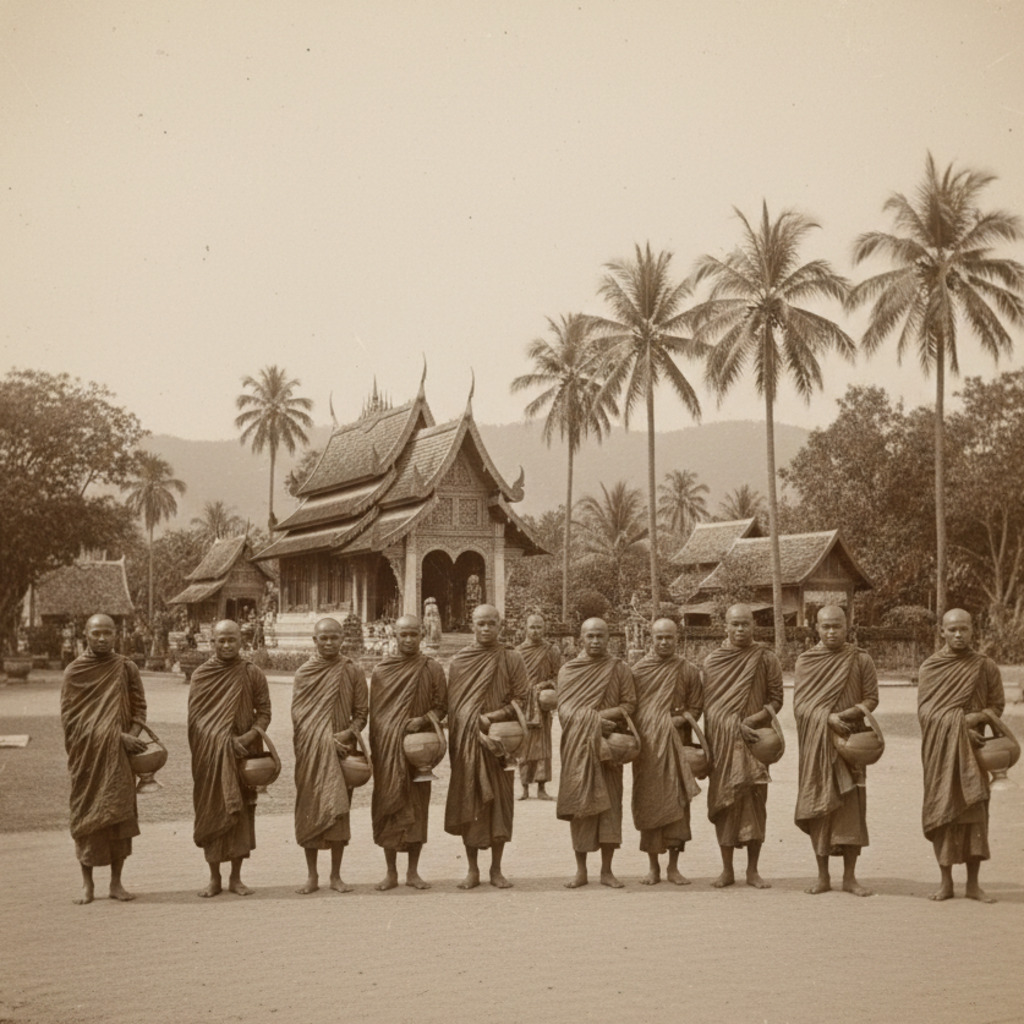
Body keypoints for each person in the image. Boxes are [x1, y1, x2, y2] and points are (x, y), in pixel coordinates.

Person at [918, 608, 1006, 903]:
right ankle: (945, 883)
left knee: (975, 814)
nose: (958, 634)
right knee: (943, 812)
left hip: (975, 753)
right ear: (942, 631)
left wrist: (978, 718)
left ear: (972, 630)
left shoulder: (985, 666)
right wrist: (960, 727)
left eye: (964, 629)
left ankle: (973, 884)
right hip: (941, 752)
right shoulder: (931, 667)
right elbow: (926, 713)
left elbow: (997, 705)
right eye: (952, 629)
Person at [60, 613, 149, 905]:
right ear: (85, 634)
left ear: (116, 634)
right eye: (96, 633)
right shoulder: (74, 671)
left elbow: (139, 709)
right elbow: (72, 721)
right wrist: (117, 737)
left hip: (119, 760)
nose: (102, 638)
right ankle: (87, 885)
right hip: (88, 759)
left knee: (119, 818)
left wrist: (130, 737)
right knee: (87, 817)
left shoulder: (126, 668)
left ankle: (116, 882)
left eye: (107, 633)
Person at [793, 606, 878, 897]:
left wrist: (848, 715)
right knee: (820, 807)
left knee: (851, 809)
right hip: (818, 744)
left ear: (847, 626)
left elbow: (871, 698)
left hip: (851, 743)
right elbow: (800, 706)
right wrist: (827, 718)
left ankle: (850, 877)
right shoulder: (806, 661)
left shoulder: (860, 659)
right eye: (826, 626)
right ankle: (822, 876)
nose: (831, 632)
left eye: (837, 626)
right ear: (816, 628)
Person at [444, 603, 529, 889]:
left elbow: (522, 699)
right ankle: (472, 870)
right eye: (481, 623)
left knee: (500, 806)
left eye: (492, 623)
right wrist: (471, 723)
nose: (486, 628)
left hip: (501, 743)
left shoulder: (512, 658)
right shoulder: (459, 662)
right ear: (472, 625)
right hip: (469, 744)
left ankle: (496, 869)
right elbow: (453, 707)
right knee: (470, 802)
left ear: (500, 625)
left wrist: (492, 718)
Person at [188, 619, 271, 898]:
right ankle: (214, 878)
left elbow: (264, 712)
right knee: (213, 809)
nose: (226, 645)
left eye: (231, 640)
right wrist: (222, 742)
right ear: (212, 642)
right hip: (211, 756)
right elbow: (196, 720)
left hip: (244, 755)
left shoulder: (252, 673)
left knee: (241, 814)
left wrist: (247, 738)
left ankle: (236, 878)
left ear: (241, 641)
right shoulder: (202, 675)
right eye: (221, 640)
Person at [703, 603, 784, 889]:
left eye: (745, 623)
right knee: (725, 804)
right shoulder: (713, 661)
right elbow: (709, 708)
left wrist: (752, 720)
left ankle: (752, 870)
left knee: (755, 805)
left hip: (755, 742)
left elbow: (776, 699)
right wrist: (731, 725)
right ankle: (727, 870)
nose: (740, 629)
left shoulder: (766, 659)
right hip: (724, 745)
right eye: (735, 624)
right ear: (725, 626)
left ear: (753, 625)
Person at [556, 617, 637, 889]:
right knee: (581, 807)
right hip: (579, 748)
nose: (595, 641)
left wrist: (603, 717)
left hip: (610, 748)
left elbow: (630, 704)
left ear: (608, 638)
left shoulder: (619, 669)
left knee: (610, 808)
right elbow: (564, 711)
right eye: (590, 636)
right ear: (581, 638)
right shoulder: (568, 670)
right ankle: (581, 870)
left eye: (600, 636)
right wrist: (593, 722)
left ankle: (607, 870)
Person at [369, 614, 448, 891]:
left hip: (419, 751)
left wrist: (423, 720)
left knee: (417, 809)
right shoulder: (382, 671)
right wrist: (390, 739)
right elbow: (377, 717)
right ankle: (390, 872)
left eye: (414, 634)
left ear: (422, 635)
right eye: (403, 634)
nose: (409, 639)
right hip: (389, 751)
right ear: (395, 636)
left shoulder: (432, 668)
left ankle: (413, 872)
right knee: (388, 807)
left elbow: (442, 707)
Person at [292, 617, 369, 894]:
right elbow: (299, 718)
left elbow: (361, 714)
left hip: (342, 752)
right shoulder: (304, 673)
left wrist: (347, 735)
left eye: (334, 637)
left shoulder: (352, 671)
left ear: (342, 639)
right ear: (314, 640)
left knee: (338, 812)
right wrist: (324, 741)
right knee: (311, 809)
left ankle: (336, 875)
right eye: (323, 638)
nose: (328, 642)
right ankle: (312, 876)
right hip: (312, 753)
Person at [630, 618, 703, 886]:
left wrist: (679, 720)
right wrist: (652, 725)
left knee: (678, 806)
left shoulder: (688, 671)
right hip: (648, 750)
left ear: (677, 638)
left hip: (676, 745)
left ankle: (673, 867)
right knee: (649, 804)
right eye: (659, 637)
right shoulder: (638, 671)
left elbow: (696, 707)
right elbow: (631, 707)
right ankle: (653, 867)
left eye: (669, 637)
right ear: (651, 638)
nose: (664, 642)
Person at [516, 613, 562, 800]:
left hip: (542, 705)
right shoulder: (517, 652)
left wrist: (547, 685)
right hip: (523, 704)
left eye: (539, 627)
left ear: (545, 628)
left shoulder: (551, 651)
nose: (535, 631)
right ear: (525, 628)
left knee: (543, 745)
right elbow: (512, 680)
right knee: (524, 745)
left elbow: (558, 676)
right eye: (532, 627)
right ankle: (525, 787)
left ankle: (542, 788)